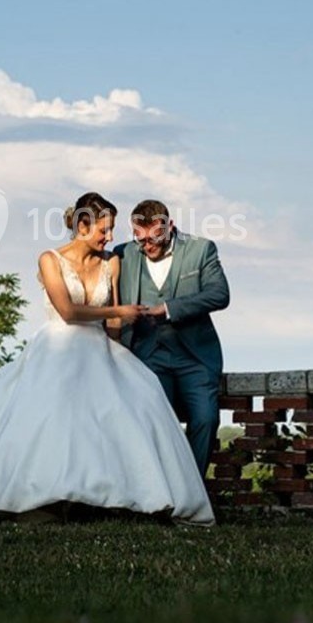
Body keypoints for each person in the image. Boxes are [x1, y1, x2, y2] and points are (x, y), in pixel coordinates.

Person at [0, 192, 214, 526]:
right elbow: (67, 310)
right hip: (58, 348)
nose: (110, 237)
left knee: (133, 403)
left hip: (100, 350)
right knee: (50, 420)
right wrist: (117, 311)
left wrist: (118, 353)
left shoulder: (111, 262)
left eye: (112, 229)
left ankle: (118, 500)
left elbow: (115, 325)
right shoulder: (50, 259)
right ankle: (38, 499)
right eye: (104, 229)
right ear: (82, 225)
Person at [114, 200, 229, 477]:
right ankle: (162, 493)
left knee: (206, 420)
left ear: (169, 227)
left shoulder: (201, 249)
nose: (147, 246)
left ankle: (193, 494)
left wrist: (167, 309)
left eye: (154, 238)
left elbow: (219, 294)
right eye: (139, 238)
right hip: (147, 356)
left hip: (195, 356)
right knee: (157, 423)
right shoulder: (122, 255)